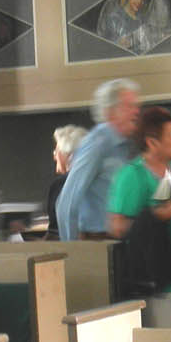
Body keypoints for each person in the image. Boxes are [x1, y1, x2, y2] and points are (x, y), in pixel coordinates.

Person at [108, 106, 171, 296]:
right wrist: (154, 215)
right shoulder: (133, 175)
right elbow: (118, 227)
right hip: (162, 289)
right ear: (152, 142)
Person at [58, 78, 142, 238]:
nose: (137, 112)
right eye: (129, 106)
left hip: (122, 241)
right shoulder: (97, 144)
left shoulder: (125, 146)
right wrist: (71, 253)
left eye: (136, 106)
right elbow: (66, 203)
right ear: (111, 112)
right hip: (99, 242)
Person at [42, 123, 87, 239]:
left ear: (69, 154)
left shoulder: (60, 184)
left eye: (57, 151)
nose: (54, 156)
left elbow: (54, 231)